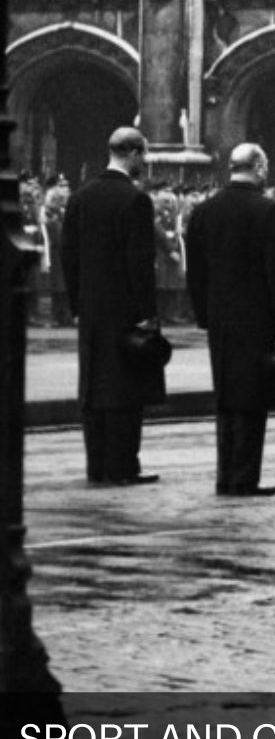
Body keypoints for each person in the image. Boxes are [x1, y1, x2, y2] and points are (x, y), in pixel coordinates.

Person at [184, 144, 275, 499]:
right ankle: (245, 478)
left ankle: (225, 476)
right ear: (260, 167)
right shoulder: (268, 210)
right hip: (257, 318)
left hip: (219, 318)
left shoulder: (205, 211)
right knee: (251, 398)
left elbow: (196, 270)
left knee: (226, 397)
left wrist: (204, 313)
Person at [59, 127, 163, 486]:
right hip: (125, 310)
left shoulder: (80, 196)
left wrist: (76, 304)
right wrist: (148, 312)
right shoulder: (135, 200)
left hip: (90, 309)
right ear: (133, 154)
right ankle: (123, 466)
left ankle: (97, 465)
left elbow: (67, 256)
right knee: (125, 387)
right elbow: (140, 263)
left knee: (92, 387)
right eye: (144, 156)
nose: (144, 163)